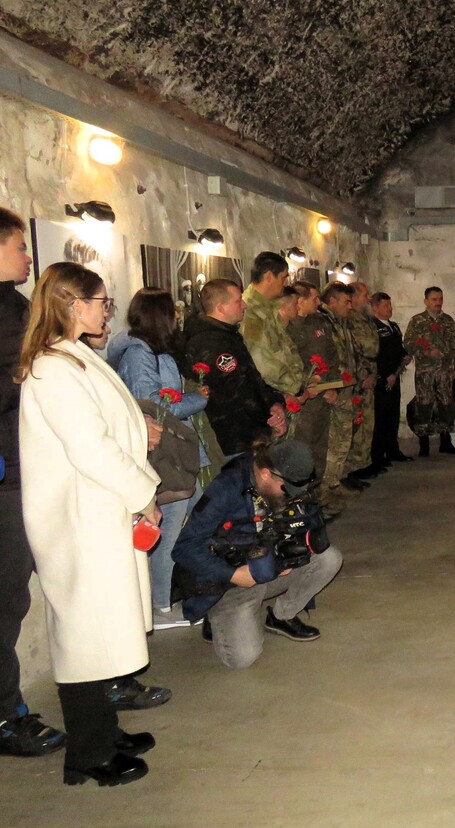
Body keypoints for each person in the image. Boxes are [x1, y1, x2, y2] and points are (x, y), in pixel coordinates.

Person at [18, 262, 164, 787]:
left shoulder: (74, 356)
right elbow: (90, 448)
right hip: (79, 521)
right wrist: (143, 494)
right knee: (84, 637)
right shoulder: (52, 368)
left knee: (101, 631)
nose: (108, 311)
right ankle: (88, 753)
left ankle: (106, 730)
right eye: (102, 302)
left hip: (99, 512)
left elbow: (104, 426)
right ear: (73, 304)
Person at [0, 204, 66, 759]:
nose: (28, 256)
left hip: (34, 465)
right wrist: (20, 372)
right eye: (19, 246)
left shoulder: (15, 304)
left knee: (17, 594)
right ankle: (1, 721)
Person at [172, 439, 343, 670]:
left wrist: (290, 548)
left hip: (269, 566)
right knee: (242, 658)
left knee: (329, 559)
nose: (288, 494)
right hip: (231, 583)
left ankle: (281, 616)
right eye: (286, 488)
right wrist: (233, 574)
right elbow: (183, 548)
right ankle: (215, 615)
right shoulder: (226, 489)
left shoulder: (277, 479)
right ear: (266, 474)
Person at [107, 288, 211, 630]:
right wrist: (196, 400)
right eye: (172, 312)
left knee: (195, 514)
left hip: (177, 448)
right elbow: (151, 406)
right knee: (168, 527)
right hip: (164, 453)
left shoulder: (153, 350)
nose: (178, 317)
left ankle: (177, 588)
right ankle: (160, 605)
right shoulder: (139, 355)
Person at [183, 279, 287, 457]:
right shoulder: (212, 342)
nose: (244, 305)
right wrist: (267, 418)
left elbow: (251, 378)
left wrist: (274, 402)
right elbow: (237, 391)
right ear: (221, 307)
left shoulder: (226, 335)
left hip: (245, 433)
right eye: (238, 301)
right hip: (234, 438)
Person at [286, 283, 347, 510]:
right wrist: (305, 386)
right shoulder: (288, 327)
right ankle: (299, 501)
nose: (319, 303)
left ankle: (318, 496)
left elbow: (332, 356)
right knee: (302, 449)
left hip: (323, 395)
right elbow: (288, 366)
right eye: (315, 298)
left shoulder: (319, 322)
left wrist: (332, 387)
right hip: (303, 400)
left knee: (321, 447)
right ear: (300, 300)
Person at [239, 252, 306, 411]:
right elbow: (261, 361)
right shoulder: (250, 312)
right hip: (268, 398)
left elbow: (287, 347)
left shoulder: (269, 308)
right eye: (283, 277)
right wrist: (294, 386)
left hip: (282, 393)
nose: (286, 283)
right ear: (269, 276)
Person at [405, 286, 455, 456]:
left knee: (446, 405)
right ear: (426, 301)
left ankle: (445, 441)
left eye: (440, 299)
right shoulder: (417, 321)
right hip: (425, 372)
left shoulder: (447, 321)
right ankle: (424, 444)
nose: (438, 302)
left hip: (445, 372)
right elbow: (408, 344)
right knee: (424, 406)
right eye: (434, 299)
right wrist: (425, 352)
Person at [317, 281, 360, 490]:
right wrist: (329, 386)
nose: (350, 306)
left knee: (343, 438)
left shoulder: (341, 321)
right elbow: (323, 356)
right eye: (346, 302)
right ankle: (328, 485)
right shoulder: (323, 322)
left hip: (345, 386)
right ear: (332, 301)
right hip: (333, 388)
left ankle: (337, 480)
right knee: (333, 441)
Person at [370, 291, 414, 464]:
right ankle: (378, 455)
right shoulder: (372, 327)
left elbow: (397, 348)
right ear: (375, 307)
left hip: (395, 377)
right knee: (381, 417)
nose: (390, 308)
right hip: (382, 379)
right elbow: (376, 355)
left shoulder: (393, 326)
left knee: (393, 415)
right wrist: (386, 374)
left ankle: (392, 450)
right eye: (385, 305)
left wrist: (405, 356)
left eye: (390, 305)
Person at [344, 282, 382, 479]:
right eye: (365, 294)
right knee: (357, 426)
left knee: (368, 423)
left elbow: (372, 350)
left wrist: (372, 373)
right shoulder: (350, 320)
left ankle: (364, 463)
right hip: (359, 380)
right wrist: (363, 374)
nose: (369, 298)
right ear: (354, 297)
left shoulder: (365, 318)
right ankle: (354, 469)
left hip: (370, 374)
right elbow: (353, 351)